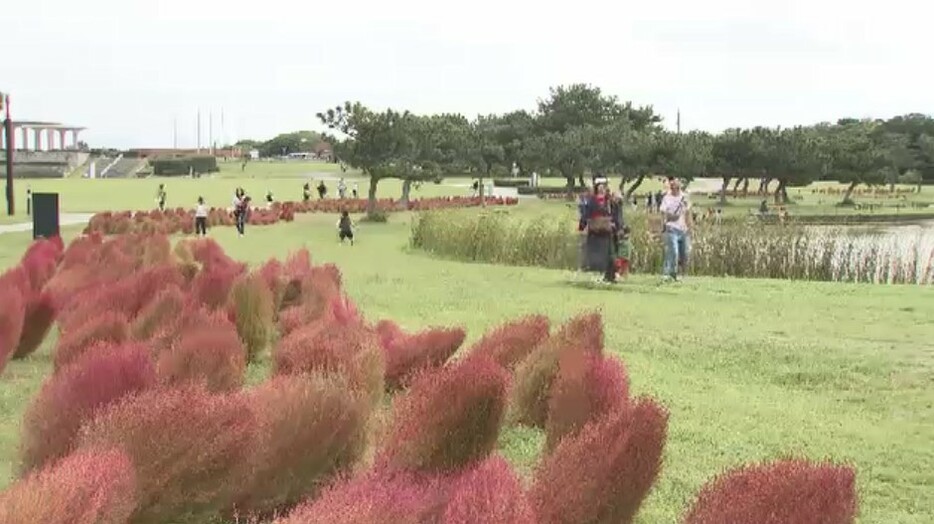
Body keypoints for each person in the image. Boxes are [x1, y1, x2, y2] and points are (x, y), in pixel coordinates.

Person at [578, 178, 622, 283]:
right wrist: (582, 225)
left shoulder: (610, 200)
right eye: (600, 186)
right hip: (595, 232)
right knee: (595, 254)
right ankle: (598, 274)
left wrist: (617, 226)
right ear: (597, 187)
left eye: (604, 186)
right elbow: (586, 214)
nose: (602, 188)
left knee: (609, 254)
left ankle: (610, 276)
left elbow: (616, 214)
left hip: (607, 232)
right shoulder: (592, 200)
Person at [659, 178, 691, 282]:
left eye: (676, 187)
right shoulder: (666, 198)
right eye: (672, 187)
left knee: (685, 253)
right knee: (674, 252)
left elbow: (688, 212)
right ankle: (670, 273)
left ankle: (683, 274)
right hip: (671, 228)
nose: (674, 189)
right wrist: (670, 217)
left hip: (683, 229)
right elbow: (663, 213)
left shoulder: (684, 198)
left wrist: (690, 227)